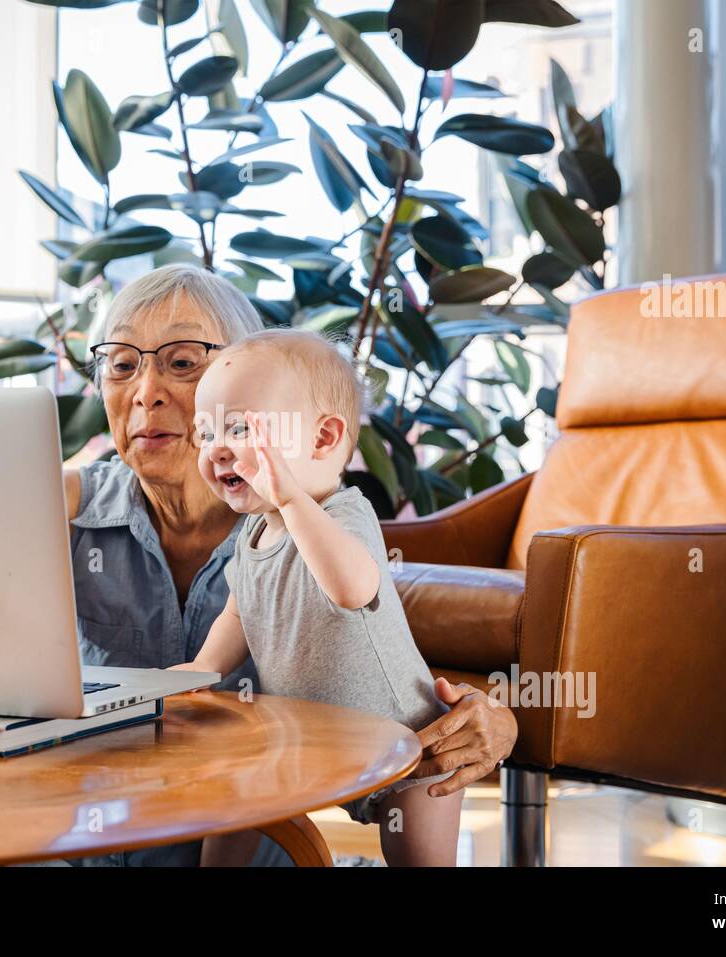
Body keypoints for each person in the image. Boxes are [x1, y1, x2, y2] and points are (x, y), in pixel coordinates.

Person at [63, 264, 517, 866]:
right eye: (122, 364)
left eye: (181, 362)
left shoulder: (319, 516)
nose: (146, 390)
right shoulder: (63, 502)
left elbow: (377, 613)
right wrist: (196, 671)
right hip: (105, 840)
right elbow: (242, 608)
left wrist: (500, 720)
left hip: (359, 775)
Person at [173, 328, 463, 866]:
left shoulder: (342, 514)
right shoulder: (255, 532)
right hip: (314, 742)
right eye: (205, 433)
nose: (216, 449)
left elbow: (351, 588)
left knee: (420, 860)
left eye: (239, 428)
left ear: (324, 440)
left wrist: (289, 498)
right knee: (234, 804)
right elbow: (240, 612)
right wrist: (200, 670)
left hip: (410, 742)